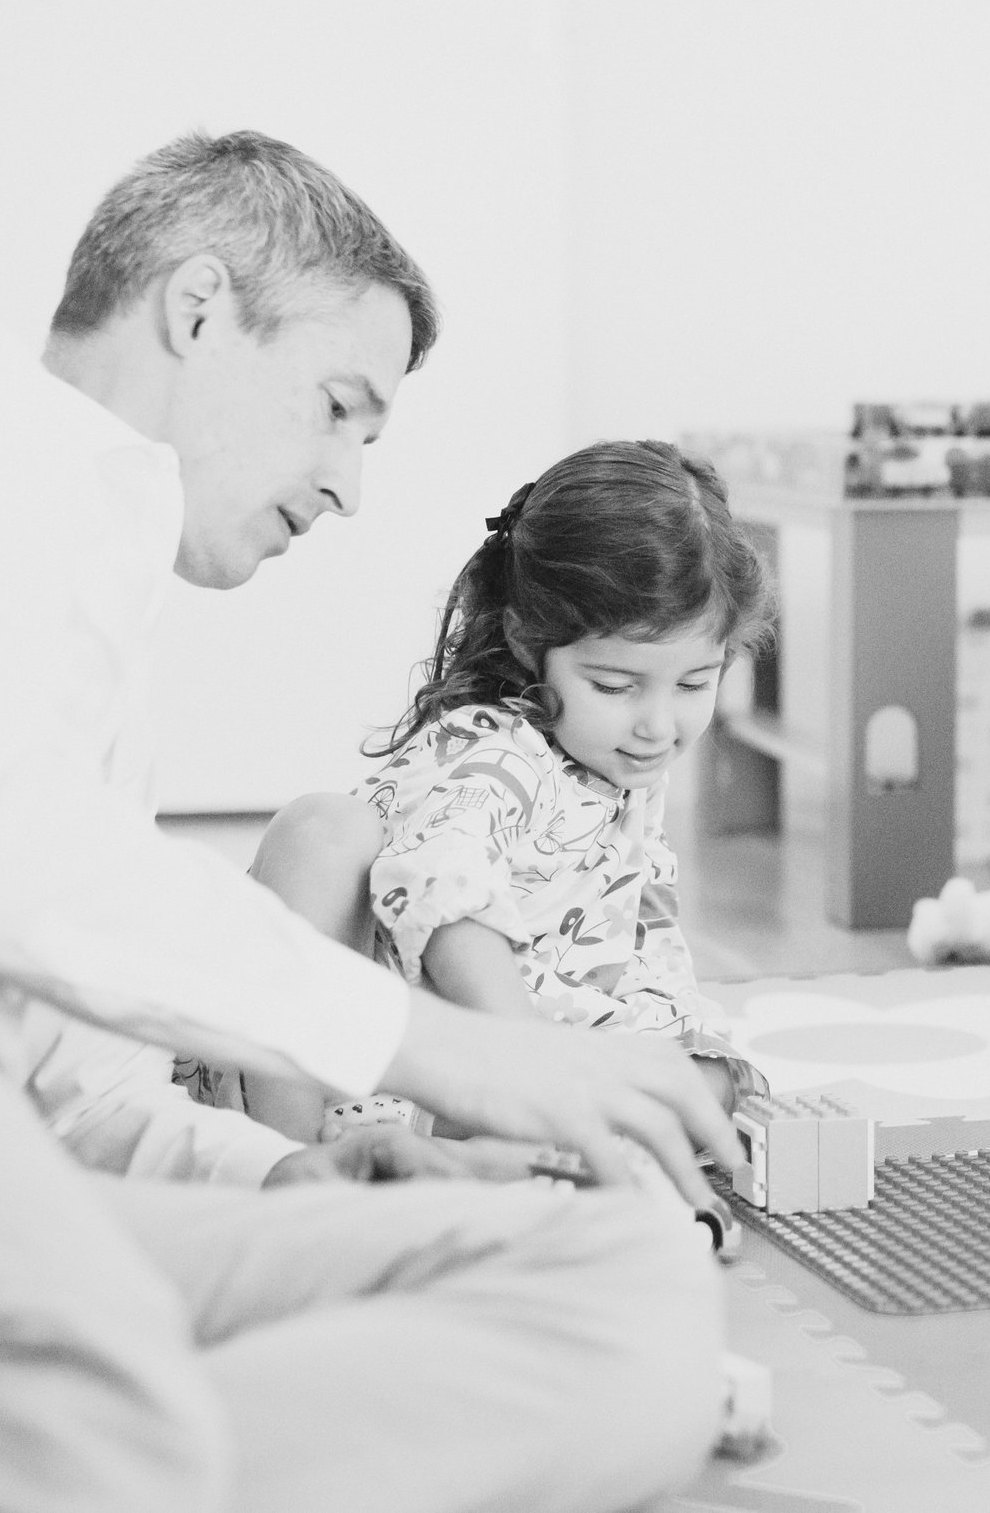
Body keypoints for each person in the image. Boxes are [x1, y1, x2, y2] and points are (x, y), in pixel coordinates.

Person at [0, 131, 741, 1513]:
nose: (353, 483)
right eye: (341, 407)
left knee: (626, 1290)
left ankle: (63, 1438)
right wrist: (448, 1049)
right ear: (197, 309)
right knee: (99, 1375)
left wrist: (294, 1167)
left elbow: (81, 1073)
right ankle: (67, 1420)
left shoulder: (102, 609)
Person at [239, 440, 773, 1144]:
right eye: (614, 686)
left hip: (506, 1052)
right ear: (528, 640)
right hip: (370, 1059)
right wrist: (526, 1055)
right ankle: (290, 1161)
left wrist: (676, 1049)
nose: (658, 724)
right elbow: (440, 886)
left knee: (715, 1079)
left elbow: (644, 938)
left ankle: (502, 1130)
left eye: (696, 683)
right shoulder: (497, 750)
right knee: (322, 829)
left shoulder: (624, 771)